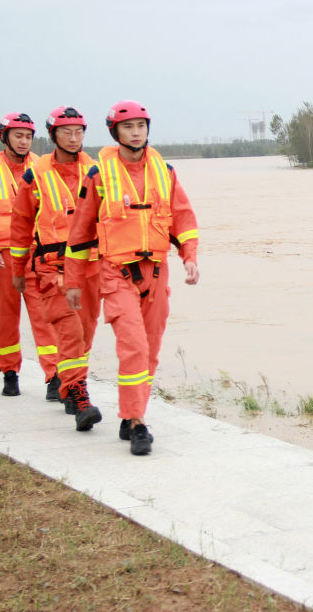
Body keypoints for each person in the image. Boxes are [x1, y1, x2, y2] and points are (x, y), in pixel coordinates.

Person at [65, 100, 199, 455]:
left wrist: (190, 258)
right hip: (116, 273)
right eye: (128, 127)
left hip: (156, 272)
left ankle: (129, 413)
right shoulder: (99, 175)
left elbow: (183, 219)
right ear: (115, 132)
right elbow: (79, 234)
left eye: (141, 126)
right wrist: (74, 282)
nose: (136, 132)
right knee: (134, 346)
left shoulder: (164, 171)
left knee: (150, 350)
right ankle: (138, 424)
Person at [10, 106, 102, 431]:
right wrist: (18, 270)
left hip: (90, 267)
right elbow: (21, 225)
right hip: (52, 269)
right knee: (70, 331)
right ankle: (79, 397)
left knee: (86, 332)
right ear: (53, 135)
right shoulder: (35, 174)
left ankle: (67, 382)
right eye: (67, 132)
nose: (74, 138)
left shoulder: (97, 170)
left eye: (79, 132)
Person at [0, 113, 60, 398]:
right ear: (4, 137)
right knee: (4, 317)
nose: (23, 141)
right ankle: (9, 373)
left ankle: (54, 377)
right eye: (18, 135)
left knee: (46, 317)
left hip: (36, 255)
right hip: (1, 257)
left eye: (28, 136)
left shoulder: (43, 168)